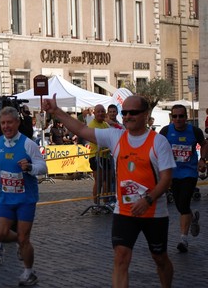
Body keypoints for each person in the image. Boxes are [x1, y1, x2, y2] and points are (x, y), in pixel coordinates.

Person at [43, 94, 175, 288]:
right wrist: (56, 112)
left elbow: (166, 179)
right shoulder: (116, 136)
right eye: (125, 113)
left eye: (133, 112)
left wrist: (147, 199)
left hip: (153, 211)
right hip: (124, 210)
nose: (128, 116)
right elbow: (81, 129)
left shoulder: (158, 142)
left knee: (159, 258)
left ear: (145, 115)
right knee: (121, 257)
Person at [0, 106, 47, 284]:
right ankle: (20, 240)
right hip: (5, 198)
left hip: (25, 200)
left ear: (17, 123)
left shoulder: (28, 144)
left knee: (24, 238)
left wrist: (30, 167)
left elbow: (43, 168)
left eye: (10, 123)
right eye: (3, 123)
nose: (6, 126)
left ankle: (29, 272)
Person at [159, 105, 208, 253]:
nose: (178, 119)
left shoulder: (194, 131)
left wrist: (202, 160)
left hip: (189, 173)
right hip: (172, 174)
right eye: (175, 116)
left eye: (181, 116)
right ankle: (192, 218)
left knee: (184, 202)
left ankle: (183, 239)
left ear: (186, 117)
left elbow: (204, 145)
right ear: (171, 118)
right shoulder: (166, 131)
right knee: (181, 206)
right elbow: (158, 147)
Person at [87, 104, 111, 209]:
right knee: (99, 180)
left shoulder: (106, 125)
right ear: (94, 113)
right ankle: (96, 204)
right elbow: (95, 139)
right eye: (98, 112)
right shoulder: (92, 125)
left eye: (102, 111)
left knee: (108, 180)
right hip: (96, 156)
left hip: (106, 156)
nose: (101, 113)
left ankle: (106, 203)